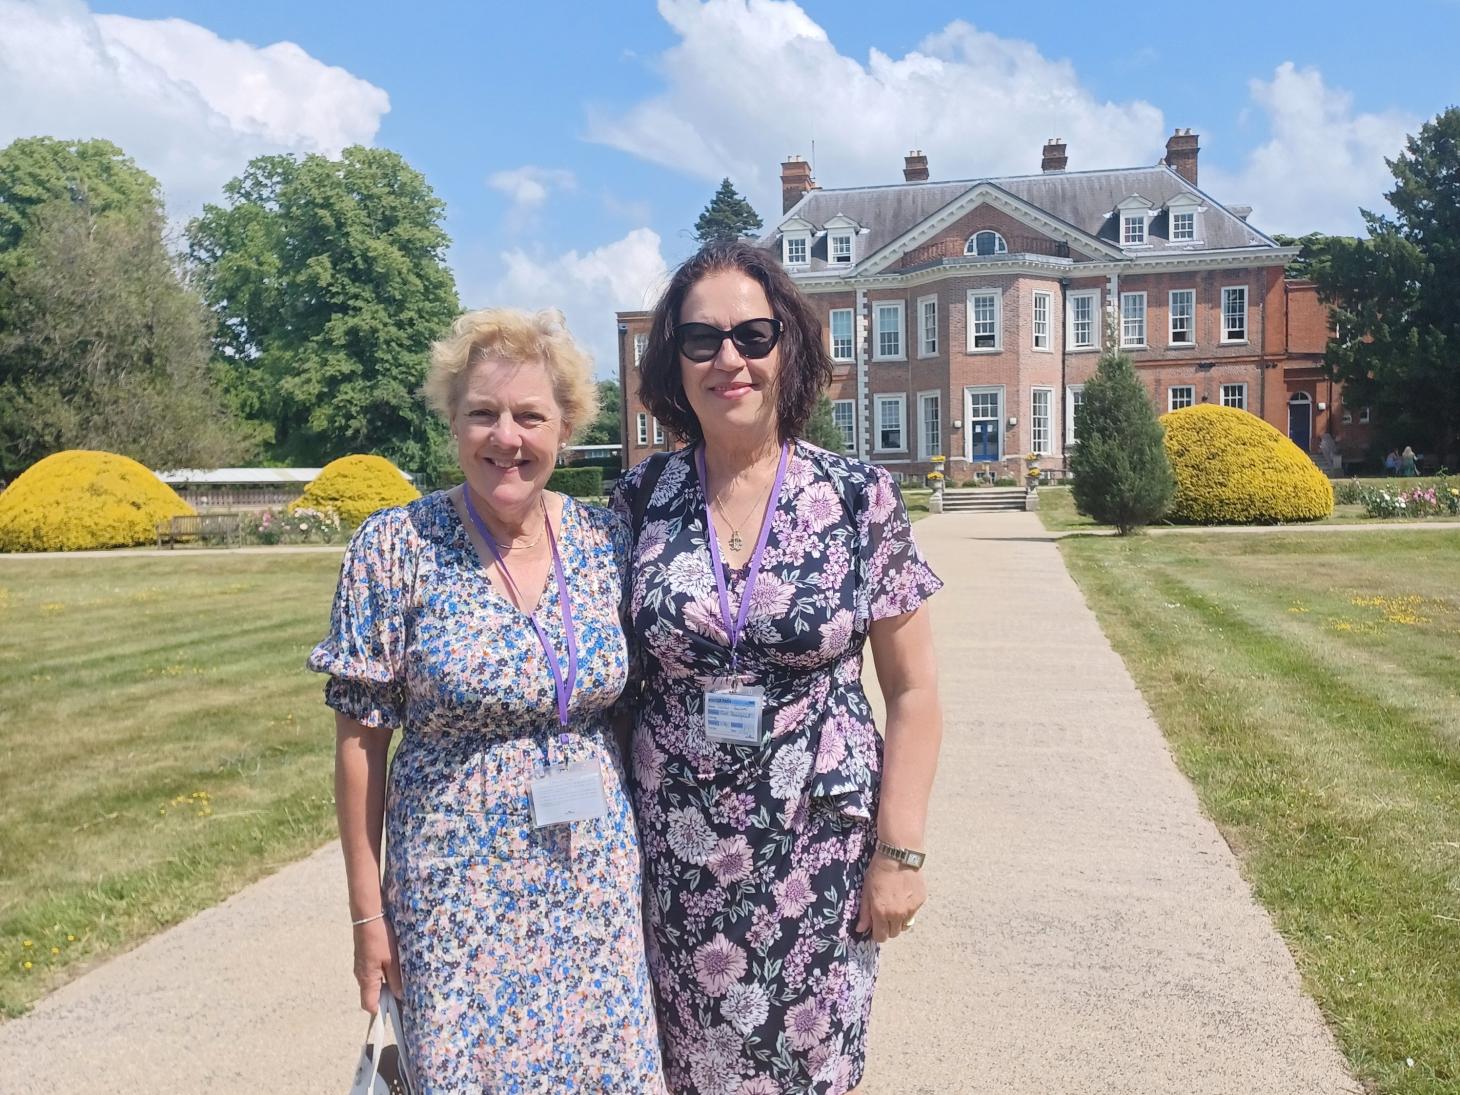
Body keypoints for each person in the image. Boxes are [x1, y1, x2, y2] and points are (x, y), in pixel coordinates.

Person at [612, 239, 944, 1095]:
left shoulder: (856, 496)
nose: (730, 359)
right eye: (701, 339)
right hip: (675, 855)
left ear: (787, 346)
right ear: (673, 362)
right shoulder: (639, 502)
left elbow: (913, 691)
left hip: (818, 849)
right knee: (685, 1067)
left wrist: (899, 853)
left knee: (810, 1069)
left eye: (753, 335)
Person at [308, 308, 664, 1091]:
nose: (507, 437)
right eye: (483, 414)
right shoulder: (394, 547)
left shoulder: (609, 542)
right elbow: (358, 746)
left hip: (594, 886)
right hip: (456, 894)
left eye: (530, 415)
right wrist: (368, 918)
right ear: (453, 422)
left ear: (565, 426)